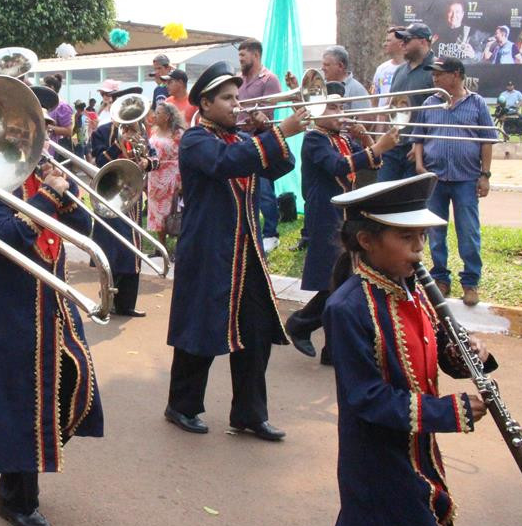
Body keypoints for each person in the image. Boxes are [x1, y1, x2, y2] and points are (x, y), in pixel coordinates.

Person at [324, 172, 493, 526]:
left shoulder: (411, 289)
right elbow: (366, 398)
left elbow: (428, 351)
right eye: (406, 238)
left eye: (422, 237)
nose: (419, 249)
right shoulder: (347, 308)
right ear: (366, 241)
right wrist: (449, 411)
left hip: (417, 449)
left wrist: (465, 354)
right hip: (376, 460)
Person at [164, 61, 306, 440]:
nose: (236, 105)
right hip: (209, 251)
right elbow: (224, 164)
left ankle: (249, 413)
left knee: (256, 334)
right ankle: (182, 405)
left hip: (247, 253)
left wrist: (271, 132)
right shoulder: (196, 140)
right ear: (206, 104)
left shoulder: (244, 140)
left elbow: (279, 166)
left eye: (237, 97)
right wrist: (276, 134)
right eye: (227, 99)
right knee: (200, 331)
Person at [0, 162, 103, 526]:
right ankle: (16, 498)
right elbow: (2, 241)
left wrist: (65, 196)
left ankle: (33, 452)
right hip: (11, 310)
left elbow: (80, 233)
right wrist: (47, 196)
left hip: (53, 302)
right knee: (18, 402)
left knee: (75, 382)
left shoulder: (41, 178)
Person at [285, 82, 397, 363]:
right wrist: (377, 147)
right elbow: (337, 166)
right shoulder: (315, 139)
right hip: (325, 214)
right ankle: (301, 324)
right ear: (316, 111)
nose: (341, 112)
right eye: (333, 107)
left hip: (344, 213)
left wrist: (368, 143)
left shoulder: (340, 138)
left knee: (344, 279)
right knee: (334, 280)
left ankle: (330, 349)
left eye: (341, 107)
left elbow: (372, 166)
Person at [410, 56, 497, 307]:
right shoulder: (430, 102)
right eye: (433, 74)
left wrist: (485, 175)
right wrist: (419, 164)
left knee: (468, 231)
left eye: (440, 73)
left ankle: (470, 282)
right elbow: (419, 136)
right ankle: (440, 279)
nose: (434, 78)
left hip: (466, 179)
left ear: (456, 74)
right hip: (435, 178)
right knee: (436, 231)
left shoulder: (477, 103)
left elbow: (487, 141)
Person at [89, 93, 157, 317]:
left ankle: (127, 304)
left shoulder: (142, 133)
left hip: (132, 196)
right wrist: (119, 146)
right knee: (112, 249)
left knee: (132, 250)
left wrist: (146, 161)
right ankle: (108, 299)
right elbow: (99, 162)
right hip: (109, 195)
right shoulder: (102, 132)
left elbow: (155, 159)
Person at [238, 38, 284, 252]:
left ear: (256, 55)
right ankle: (250, 229)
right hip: (239, 137)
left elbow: (268, 111)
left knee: (265, 188)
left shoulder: (269, 79)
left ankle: (271, 233)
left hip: (260, 136)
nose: (240, 60)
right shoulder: (238, 79)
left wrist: (255, 118)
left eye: (243, 56)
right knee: (244, 187)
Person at [379, 23, 437, 182]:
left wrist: (420, 144)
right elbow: (392, 106)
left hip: (420, 151)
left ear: (423, 42)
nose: (402, 44)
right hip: (394, 146)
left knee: (410, 201)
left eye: (407, 40)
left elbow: (441, 114)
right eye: (401, 40)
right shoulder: (399, 71)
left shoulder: (437, 71)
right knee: (381, 196)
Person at [146, 101, 185, 249]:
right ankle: (160, 247)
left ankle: (177, 247)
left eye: (158, 113)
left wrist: (182, 180)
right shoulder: (154, 131)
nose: (155, 115)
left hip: (173, 176)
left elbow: (184, 157)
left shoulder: (178, 133)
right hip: (155, 175)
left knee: (173, 211)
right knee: (156, 212)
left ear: (168, 116)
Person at [42, 73, 74, 153]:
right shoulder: (43, 103)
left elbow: (69, 131)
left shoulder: (62, 106)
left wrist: (47, 127)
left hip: (53, 151)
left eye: (44, 85)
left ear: (51, 87)